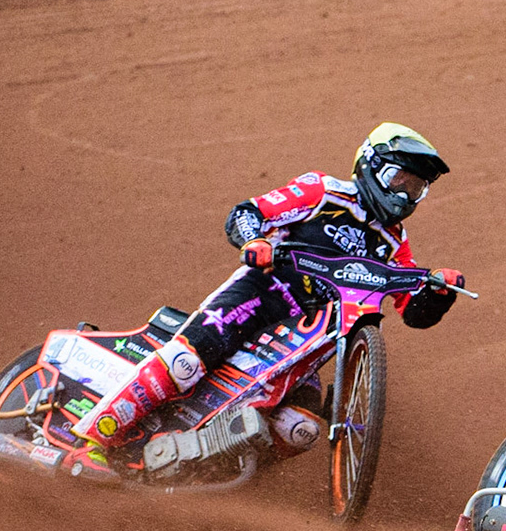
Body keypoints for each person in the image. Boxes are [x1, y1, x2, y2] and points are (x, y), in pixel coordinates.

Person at [71, 123, 466, 454]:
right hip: (261, 296)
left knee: (301, 430)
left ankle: (207, 482)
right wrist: (254, 242)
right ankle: (93, 442)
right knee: (185, 364)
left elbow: (413, 312)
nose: (403, 195)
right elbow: (247, 214)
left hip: (307, 340)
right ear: (370, 166)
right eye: (398, 180)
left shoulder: (394, 243)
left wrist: (439, 292)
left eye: (415, 188)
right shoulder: (323, 192)